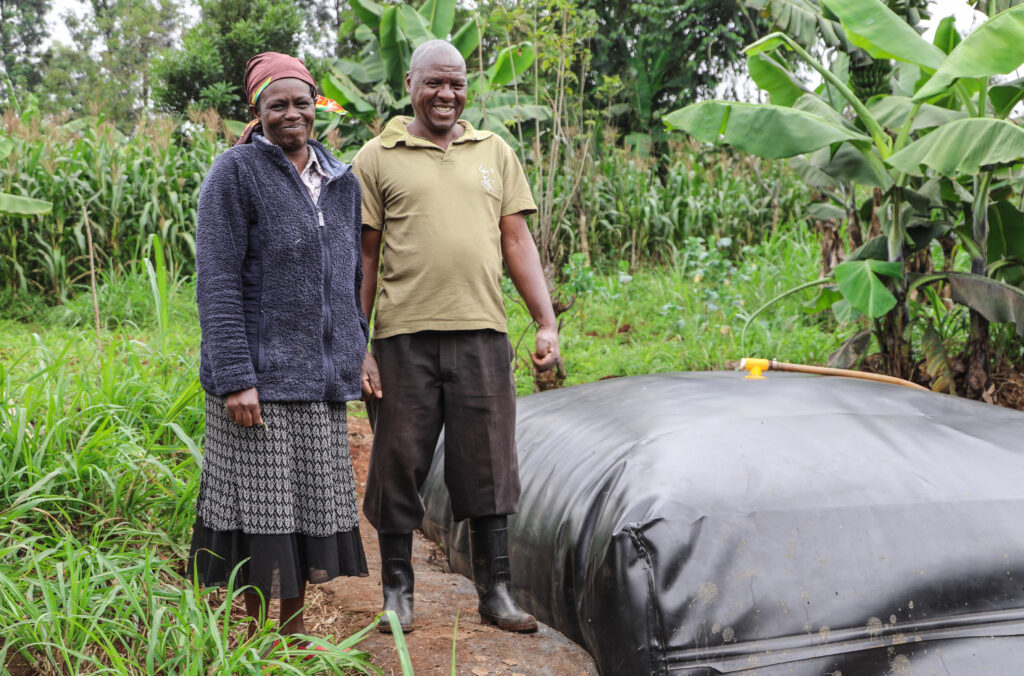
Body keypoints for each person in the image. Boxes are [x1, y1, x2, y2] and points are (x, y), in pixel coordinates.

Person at [352, 39, 560, 635]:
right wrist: (357, 343)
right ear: (412, 85)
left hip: (482, 335)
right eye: (433, 83)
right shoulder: (377, 156)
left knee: (489, 466)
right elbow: (364, 258)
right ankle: (397, 592)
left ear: (467, 88)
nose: (446, 95)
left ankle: (495, 593)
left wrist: (545, 321)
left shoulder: (493, 150)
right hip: (401, 340)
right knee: (398, 463)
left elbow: (516, 241)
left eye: (456, 84)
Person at [187, 52, 368, 643]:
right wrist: (237, 376)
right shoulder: (235, 173)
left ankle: (289, 644)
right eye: (277, 105)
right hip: (258, 386)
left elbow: (346, 281)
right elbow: (216, 281)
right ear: (257, 111)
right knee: (258, 524)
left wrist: (354, 353)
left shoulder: (342, 181)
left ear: (316, 104)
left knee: (302, 526)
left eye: (301, 103)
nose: (292, 115)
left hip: (317, 385)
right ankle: (253, 644)